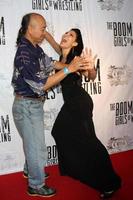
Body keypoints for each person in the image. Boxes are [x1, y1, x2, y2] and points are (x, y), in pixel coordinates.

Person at [11, 13, 91, 197]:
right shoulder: (24, 53)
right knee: (37, 148)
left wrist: (72, 65)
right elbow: (42, 85)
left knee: (32, 145)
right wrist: (68, 69)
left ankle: (30, 170)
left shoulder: (34, 48)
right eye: (43, 28)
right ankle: (36, 185)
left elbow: (50, 63)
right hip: (27, 107)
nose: (45, 32)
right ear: (30, 29)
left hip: (31, 106)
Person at [44, 28, 122, 198]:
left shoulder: (76, 59)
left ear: (75, 43)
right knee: (59, 131)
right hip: (70, 104)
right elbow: (50, 39)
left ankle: (111, 183)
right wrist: (40, 30)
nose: (66, 36)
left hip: (80, 104)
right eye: (65, 33)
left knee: (90, 142)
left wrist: (92, 68)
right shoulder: (62, 55)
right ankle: (74, 168)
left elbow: (90, 76)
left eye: (70, 35)